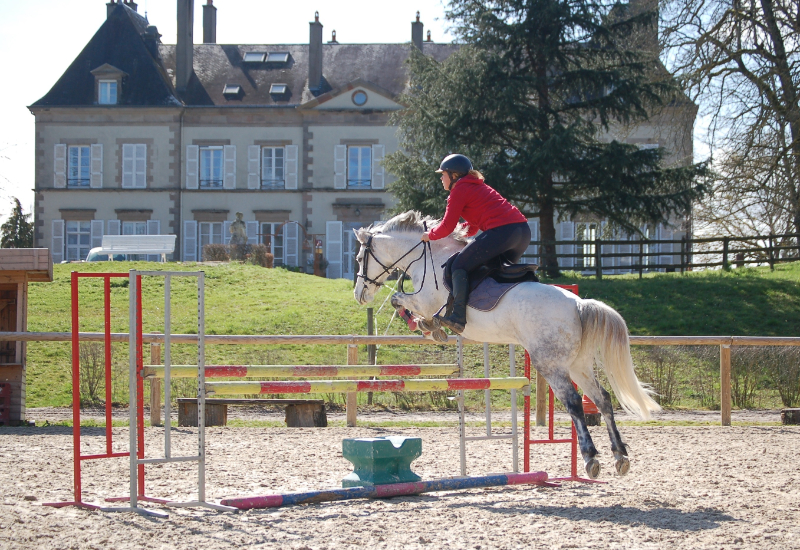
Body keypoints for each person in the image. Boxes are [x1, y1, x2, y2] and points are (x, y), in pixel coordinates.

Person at [421, 154, 530, 333]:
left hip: (503, 232)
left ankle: (457, 317)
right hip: (522, 232)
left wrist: (429, 235)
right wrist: (455, 231)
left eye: (443, 174)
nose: (441, 178)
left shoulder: (459, 190)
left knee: (458, 266)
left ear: (454, 175)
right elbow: (471, 228)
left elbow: (446, 226)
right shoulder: (476, 187)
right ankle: (493, 313)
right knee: (492, 270)